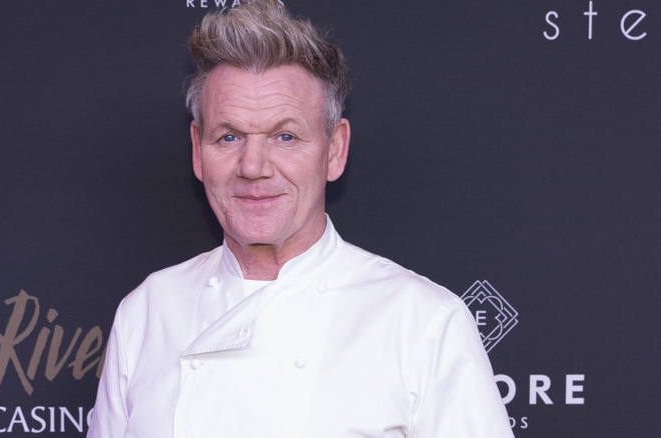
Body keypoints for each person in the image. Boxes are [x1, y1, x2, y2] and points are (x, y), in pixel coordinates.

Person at [87, 1, 514, 437]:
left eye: (285, 136)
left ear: (334, 150)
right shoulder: (146, 312)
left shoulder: (423, 323)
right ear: (198, 151)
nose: (253, 166)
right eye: (229, 136)